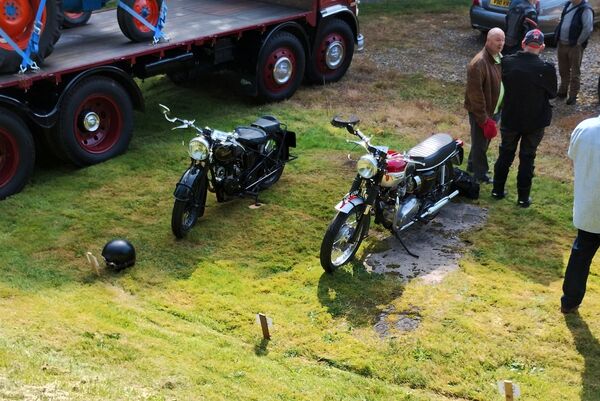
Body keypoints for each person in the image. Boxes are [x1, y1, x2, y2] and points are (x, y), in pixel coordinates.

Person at [491, 29, 556, 207]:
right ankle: (523, 198)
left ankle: (497, 190)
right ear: (542, 47)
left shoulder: (508, 62)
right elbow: (552, 93)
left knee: (505, 152)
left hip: (511, 117)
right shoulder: (546, 69)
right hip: (535, 121)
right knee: (528, 157)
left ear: (523, 43)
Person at [561, 115, 600, 314]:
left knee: (581, 254)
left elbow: (573, 158)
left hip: (589, 206)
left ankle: (569, 301)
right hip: (590, 206)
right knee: (581, 253)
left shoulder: (585, 128)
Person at [464, 27, 505, 184]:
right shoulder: (479, 63)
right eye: (497, 40)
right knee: (481, 144)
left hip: (494, 110)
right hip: (481, 112)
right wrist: (483, 119)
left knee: (481, 141)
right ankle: (480, 174)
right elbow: (475, 95)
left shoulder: (498, 57)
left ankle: (471, 166)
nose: (500, 43)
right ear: (488, 41)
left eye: (502, 39)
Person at [554, 0, 594, 105]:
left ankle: (572, 96)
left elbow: (588, 28)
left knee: (575, 73)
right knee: (563, 70)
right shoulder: (568, 4)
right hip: (562, 43)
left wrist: (578, 42)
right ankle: (562, 91)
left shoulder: (585, 9)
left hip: (575, 46)